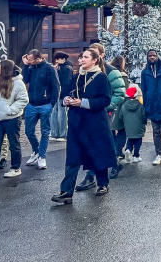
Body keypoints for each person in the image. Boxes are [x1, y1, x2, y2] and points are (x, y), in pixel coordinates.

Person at [52, 49, 115, 203]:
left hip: (95, 122)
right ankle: (66, 192)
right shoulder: (76, 76)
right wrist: (67, 100)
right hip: (76, 122)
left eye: (86, 57)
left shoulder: (101, 78)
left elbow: (105, 100)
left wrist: (84, 103)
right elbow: (66, 92)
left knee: (97, 153)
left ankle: (102, 183)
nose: (82, 59)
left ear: (94, 60)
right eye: (81, 57)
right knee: (72, 157)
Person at [76, 46, 126, 189]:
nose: (88, 57)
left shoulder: (111, 72)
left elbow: (119, 93)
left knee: (103, 145)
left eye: (93, 55)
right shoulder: (83, 72)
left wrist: (106, 106)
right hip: (87, 114)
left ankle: (100, 174)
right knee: (92, 145)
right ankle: (91, 176)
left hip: (104, 114)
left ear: (100, 56)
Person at [21, 49, 60, 171]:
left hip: (45, 105)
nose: (29, 61)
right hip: (31, 104)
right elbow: (25, 80)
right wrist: (26, 66)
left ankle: (42, 156)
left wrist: (51, 104)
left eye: (30, 59)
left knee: (45, 132)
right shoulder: (31, 67)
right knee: (29, 131)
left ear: (38, 58)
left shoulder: (49, 68)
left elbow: (56, 86)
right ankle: (36, 150)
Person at [51, 52, 74, 141]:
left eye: (58, 59)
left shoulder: (66, 68)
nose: (57, 61)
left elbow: (65, 83)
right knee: (56, 114)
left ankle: (62, 134)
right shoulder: (62, 68)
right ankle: (56, 133)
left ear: (63, 59)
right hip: (59, 94)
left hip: (62, 94)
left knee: (61, 115)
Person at [121, 86, 146, 163]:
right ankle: (136, 155)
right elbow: (144, 116)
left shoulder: (124, 106)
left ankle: (128, 149)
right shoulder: (141, 106)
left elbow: (120, 116)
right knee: (138, 141)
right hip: (139, 127)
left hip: (128, 128)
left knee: (130, 140)